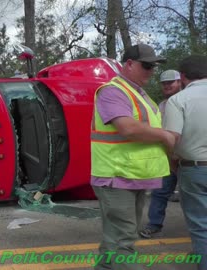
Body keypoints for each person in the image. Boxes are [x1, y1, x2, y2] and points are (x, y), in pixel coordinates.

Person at [90, 44, 175, 270]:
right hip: (117, 176)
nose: (151, 72)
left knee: (114, 239)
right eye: (147, 66)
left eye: (153, 67)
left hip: (132, 176)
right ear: (129, 64)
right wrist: (165, 136)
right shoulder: (112, 91)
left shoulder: (138, 93)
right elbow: (127, 128)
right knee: (123, 242)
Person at [164, 55, 207, 270]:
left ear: (182, 77)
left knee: (201, 226)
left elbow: (172, 139)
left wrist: (173, 163)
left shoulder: (178, 100)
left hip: (195, 169)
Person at [139, 70, 182, 239]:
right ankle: (154, 225)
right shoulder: (161, 106)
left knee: (193, 198)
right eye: (164, 83)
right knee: (160, 193)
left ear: (180, 82)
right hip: (168, 158)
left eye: (171, 82)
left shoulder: (187, 101)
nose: (167, 85)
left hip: (188, 159)